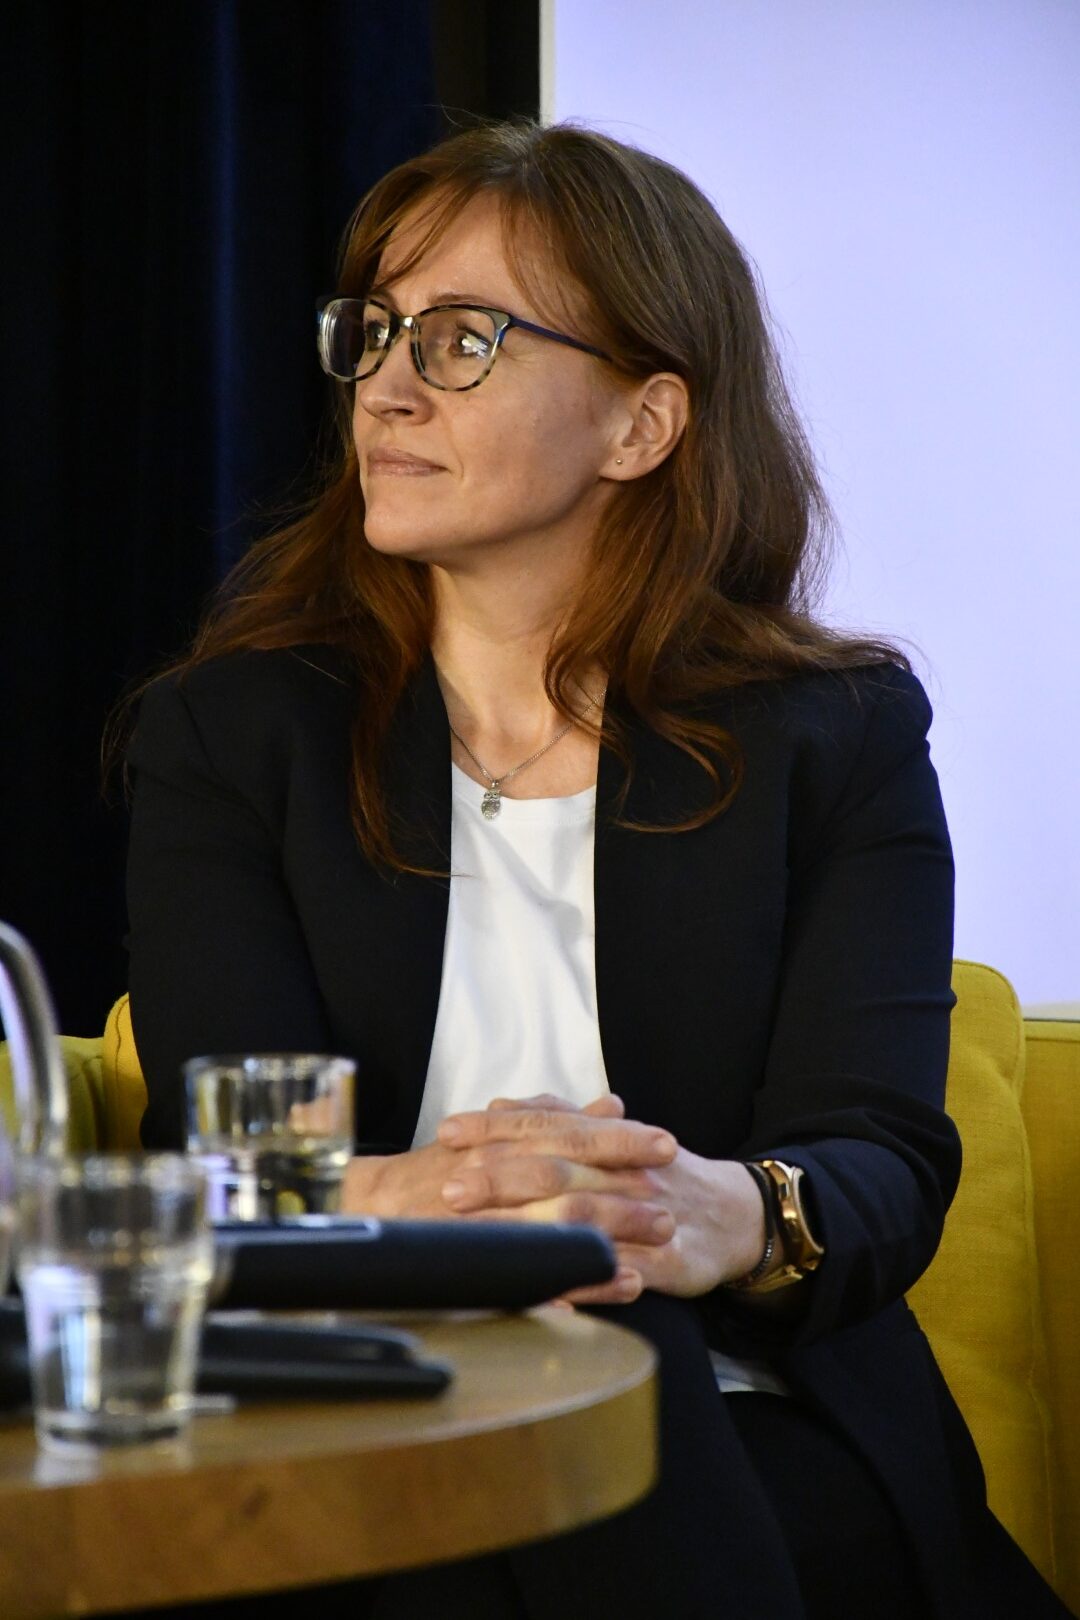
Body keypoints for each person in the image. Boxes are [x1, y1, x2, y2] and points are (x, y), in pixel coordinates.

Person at [124, 121, 1071, 1618]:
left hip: (751, 1409)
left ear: (642, 424)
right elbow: (221, 1156)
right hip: (357, 1390)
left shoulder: (837, 733)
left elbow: (880, 1155)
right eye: (375, 330)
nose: (384, 386)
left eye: (461, 339)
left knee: (615, 1362)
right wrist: (455, 1201)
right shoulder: (233, 734)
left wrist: (710, 1212)